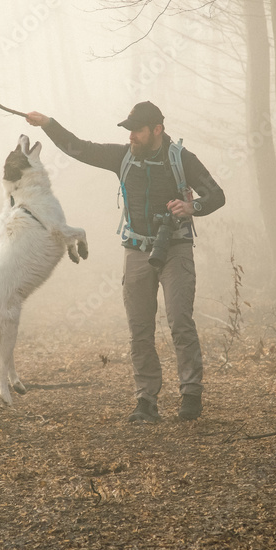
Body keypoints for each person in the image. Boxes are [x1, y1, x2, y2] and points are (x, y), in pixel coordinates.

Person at [26, 101, 225, 422]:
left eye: (137, 130)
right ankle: (146, 401)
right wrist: (48, 123)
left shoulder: (182, 160)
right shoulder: (123, 157)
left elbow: (217, 195)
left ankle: (191, 392)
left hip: (176, 248)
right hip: (135, 249)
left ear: (157, 130)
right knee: (140, 329)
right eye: (129, 130)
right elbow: (79, 149)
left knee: (180, 321)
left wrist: (193, 208)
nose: (131, 135)